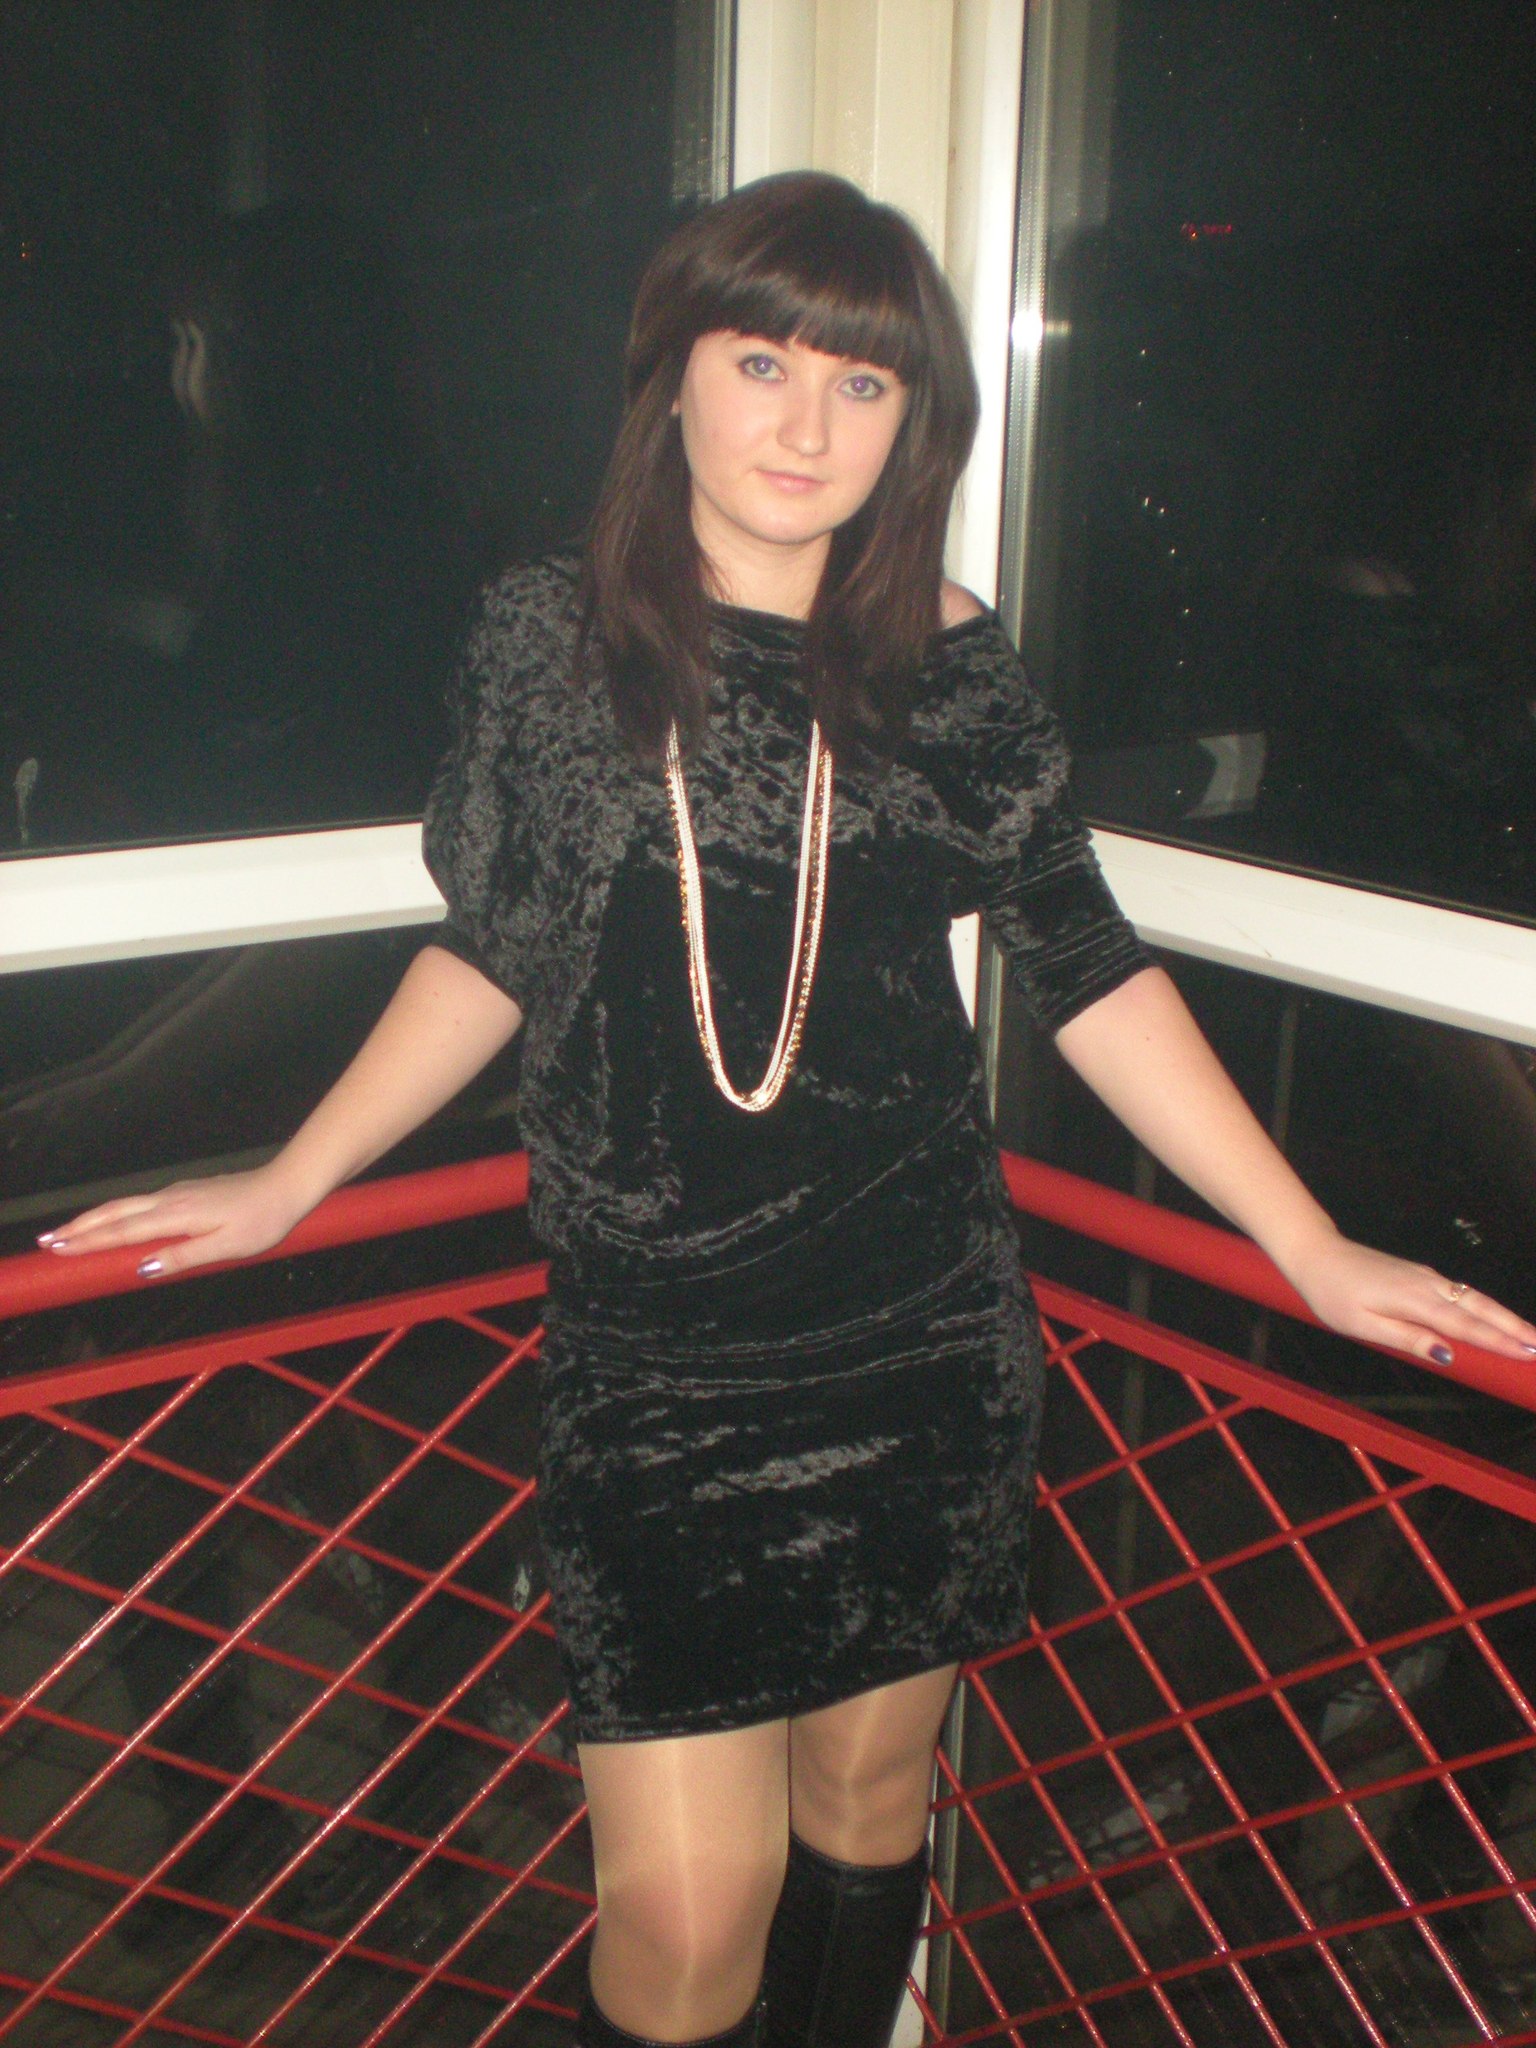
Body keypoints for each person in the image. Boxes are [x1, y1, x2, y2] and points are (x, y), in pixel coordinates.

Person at [39, 173, 1536, 2048]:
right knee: (680, 1927)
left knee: (868, 1804)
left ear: (918, 422)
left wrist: (1306, 1244)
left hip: (919, 1341)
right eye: (762, 364)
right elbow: (492, 945)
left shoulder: (947, 661)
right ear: (671, 374)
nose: (807, 427)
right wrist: (290, 1179)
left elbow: (1084, 961)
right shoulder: (544, 641)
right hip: (657, 1368)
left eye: (863, 385)